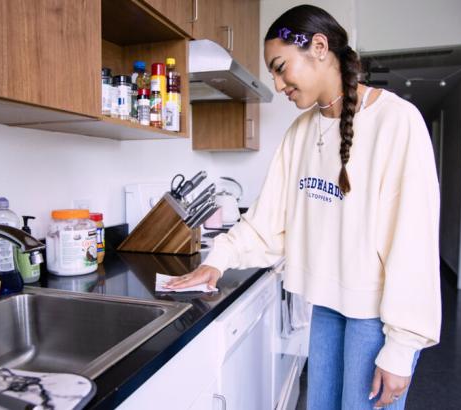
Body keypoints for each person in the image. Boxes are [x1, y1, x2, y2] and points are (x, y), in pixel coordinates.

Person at [165, 4, 441, 410]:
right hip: (327, 308)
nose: (277, 85)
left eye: (280, 67)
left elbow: (413, 242)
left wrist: (402, 347)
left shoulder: (398, 122)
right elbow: (267, 220)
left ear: (318, 46)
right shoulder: (302, 132)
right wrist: (217, 261)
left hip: (376, 319)